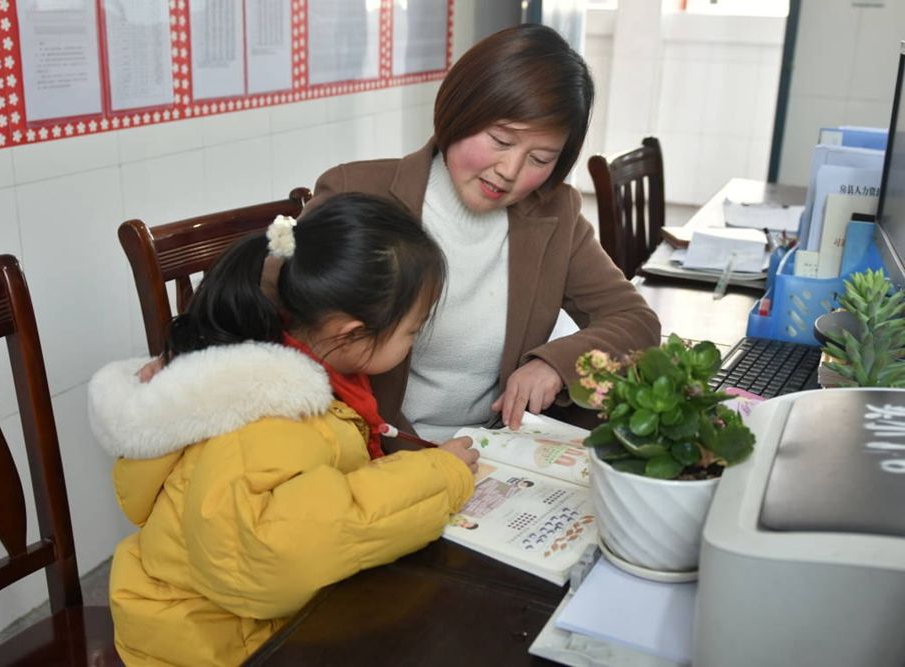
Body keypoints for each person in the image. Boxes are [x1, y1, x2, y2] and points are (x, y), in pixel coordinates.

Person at [88, 193, 479, 666]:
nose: (414, 342)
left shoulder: (293, 366)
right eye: (413, 331)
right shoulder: (266, 419)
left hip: (238, 620)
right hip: (209, 646)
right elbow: (274, 557)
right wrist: (441, 476)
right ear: (350, 333)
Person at [302, 24, 661, 445]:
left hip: (494, 451)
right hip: (376, 455)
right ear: (460, 111)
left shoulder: (554, 213)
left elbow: (634, 320)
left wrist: (553, 364)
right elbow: (274, 327)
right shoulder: (358, 192)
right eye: (500, 139)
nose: (509, 171)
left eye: (540, 158)